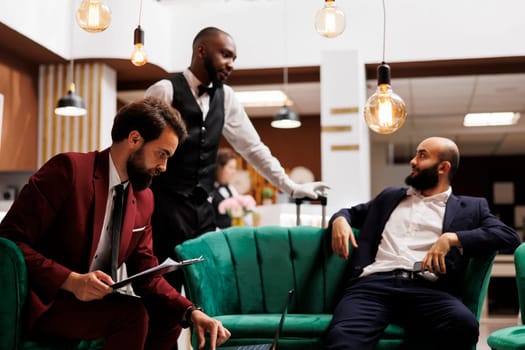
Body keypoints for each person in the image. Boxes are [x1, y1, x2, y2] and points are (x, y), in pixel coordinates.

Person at [0, 97, 230, 350]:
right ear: (134, 139)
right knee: (132, 314)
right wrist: (72, 280)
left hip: (94, 304)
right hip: (48, 300)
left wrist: (191, 311)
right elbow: (9, 241)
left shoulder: (144, 198)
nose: (163, 167)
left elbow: (147, 274)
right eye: (161, 154)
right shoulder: (69, 170)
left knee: (167, 317)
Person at [145, 26, 329, 289]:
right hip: (164, 212)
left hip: (203, 215)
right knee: (163, 298)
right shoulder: (164, 90)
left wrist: (291, 187)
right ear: (201, 51)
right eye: (226, 55)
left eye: (233, 59)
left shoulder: (227, 97)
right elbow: (140, 153)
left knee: (206, 294)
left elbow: (253, 148)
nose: (231, 65)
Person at [323, 136, 521, 350]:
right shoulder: (389, 197)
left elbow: (508, 236)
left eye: (422, 155)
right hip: (372, 287)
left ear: (443, 167)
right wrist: (340, 220)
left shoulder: (471, 207)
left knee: (463, 325)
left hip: (429, 289)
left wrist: (452, 238)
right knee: (343, 342)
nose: (413, 161)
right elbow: (350, 213)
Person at [211, 148, 240, 229]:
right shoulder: (209, 192)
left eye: (234, 168)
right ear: (219, 168)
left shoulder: (231, 189)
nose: (234, 172)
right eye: (230, 168)